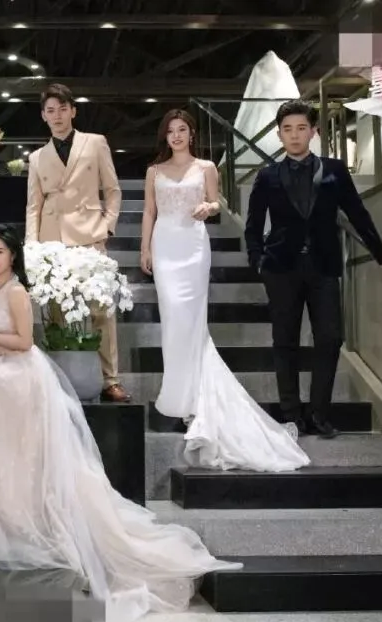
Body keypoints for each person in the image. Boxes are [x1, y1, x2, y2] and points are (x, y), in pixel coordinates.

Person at [0, 226, 241, 622]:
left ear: (13, 255)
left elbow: (25, 342)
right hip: (1, 365)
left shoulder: (15, 292)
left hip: (21, 369)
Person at [140, 109, 310, 471]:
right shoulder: (154, 171)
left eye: (182, 130)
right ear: (165, 136)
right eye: (170, 131)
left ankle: (195, 396)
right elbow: (149, 212)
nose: (176, 136)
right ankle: (178, 394)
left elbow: (217, 203)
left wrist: (208, 206)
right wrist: (144, 249)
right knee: (173, 320)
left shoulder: (206, 167)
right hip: (165, 245)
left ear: (191, 133)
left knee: (192, 321)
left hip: (193, 246)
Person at [245, 100, 382, 438]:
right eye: (287, 129)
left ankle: (319, 413)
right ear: (279, 134)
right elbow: (253, 225)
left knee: (331, 338)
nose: (294, 135)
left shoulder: (334, 170)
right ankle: (291, 415)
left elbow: (358, 214)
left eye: (301, 128)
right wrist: (258, 262)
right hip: (281, 268)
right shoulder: (267, 175)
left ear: (314, 132)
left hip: (323, 266)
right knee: (285, 341)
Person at [25, 83, 129, 403]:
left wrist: (107, 227)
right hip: (52, 239)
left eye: (62, 109)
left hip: (90, 235)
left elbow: (112, 189)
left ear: (73, 110)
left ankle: (110, 380)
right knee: (56, 311)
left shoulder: (95, 143)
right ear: (43, 116)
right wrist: (32, 245)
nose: (57, 116)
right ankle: (61, 379)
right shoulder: (37, 157)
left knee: (101, 309)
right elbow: (33, 206)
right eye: (50, 111)